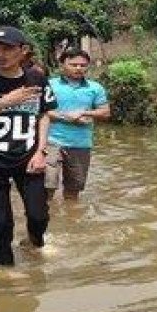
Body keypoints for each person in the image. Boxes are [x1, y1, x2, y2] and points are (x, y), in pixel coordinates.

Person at [0, 26, 57, 267]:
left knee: (39, 216)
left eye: (8, 49)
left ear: (23, 50)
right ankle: (4, 268)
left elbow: (46, 114)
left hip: (28, 157)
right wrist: (4, 102)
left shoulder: (35, 78)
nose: (1, 54)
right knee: (1, 221)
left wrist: (41, 151)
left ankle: (34, 243)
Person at [45, 48, 110, 201]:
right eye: (73, 64)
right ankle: (46, 220)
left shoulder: (95, 88)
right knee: (47, 187)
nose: (78, 68)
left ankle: (71, 220)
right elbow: (40, 111)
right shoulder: (49, 85)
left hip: (81, 144)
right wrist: (66, 117)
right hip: (51, 142)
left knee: (73, 191)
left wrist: (85, 113)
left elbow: (105, 112)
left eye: (83, 65)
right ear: (62, 64)